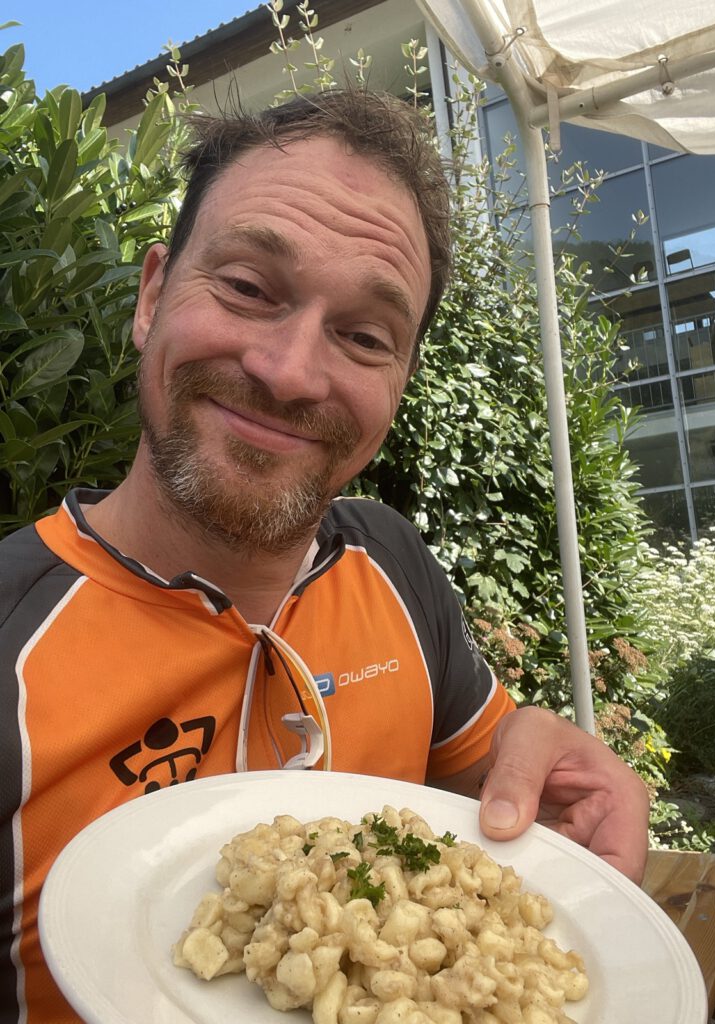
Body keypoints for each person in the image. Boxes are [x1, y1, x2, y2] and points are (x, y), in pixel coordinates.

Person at [0, 89, 649, 1023]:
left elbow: (486, 793)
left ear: (401, 381)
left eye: (364, 336)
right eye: (247, 286)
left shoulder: (393, 560)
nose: (292, 372)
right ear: (151, 296)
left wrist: (545, 776)